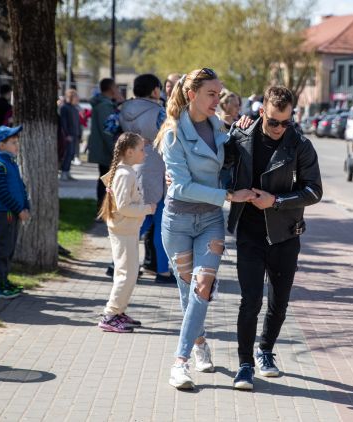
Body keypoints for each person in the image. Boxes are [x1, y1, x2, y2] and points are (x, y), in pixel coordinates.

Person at [154, 68, 255, 390]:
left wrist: (240, 133)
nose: (219, 100)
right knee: (188, 293)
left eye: (219, 93)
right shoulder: (172, 133)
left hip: (211, 220)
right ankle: (200, 345)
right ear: (192, 94)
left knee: (202, 288)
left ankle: (178, 363)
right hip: (178, 222)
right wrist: (228, 196)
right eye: (212, 94)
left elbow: (230, 161)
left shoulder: (218, 127)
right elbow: (180, 187)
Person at [226, 86, 323, 390]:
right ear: (261, 112)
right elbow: (219, 167)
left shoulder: (300, 145)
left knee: (279, 302)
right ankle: (244, 365)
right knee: (250, 300)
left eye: (286, 122)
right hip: (249, 232)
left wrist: (277, 201)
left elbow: (314, 191)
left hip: (285, 234)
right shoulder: (240, 136)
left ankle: (265, 350)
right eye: (273, 122)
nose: (280, 128)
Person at [97, 133, 156, 332]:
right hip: (123, 231)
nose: (145, 154)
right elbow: (123, 207)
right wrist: (148, 208)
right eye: (141, 149)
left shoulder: (126, 171)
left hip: (127, 230)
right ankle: (110, 314)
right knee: (126, 274)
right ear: (129, 152)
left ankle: (119, 311)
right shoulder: (125, 174)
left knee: (129, 273)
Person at [119, 74, 174, 283]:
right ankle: (162, 270)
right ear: (154, 90)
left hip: (132, 163)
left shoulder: (123, 109)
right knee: (157, 220)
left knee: (141, 219)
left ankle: (117, 263)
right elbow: (170, 138)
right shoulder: (159, 112)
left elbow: (110, 130)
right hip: (155, 165)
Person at [0, 125, 29, 299]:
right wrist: (18, 208)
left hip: (15, 213)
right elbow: (2, 193)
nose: (16, 145)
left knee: (10, 249)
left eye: (16, 142)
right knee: (3, 249)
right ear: (1, 145)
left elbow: (20, 187)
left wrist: (26, 205)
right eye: (13, 142)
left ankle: (5, 280)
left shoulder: (11, 163)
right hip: (5, 214)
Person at [88, 78, 122, 213]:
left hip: (104, 149)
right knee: (106, 181)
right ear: (111, 88)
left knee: (106, 179)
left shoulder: (106, 103)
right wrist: (115, 150)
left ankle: (104, 209)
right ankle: (102, 210)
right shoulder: (104, 106)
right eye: (116, 87)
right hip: (106, 150)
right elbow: (108, 130)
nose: (118, 90)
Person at [59, 89, 82, 181]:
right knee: (68, 154)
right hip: (69, 136)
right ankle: (64, 173)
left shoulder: (74, 108)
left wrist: (79, 134)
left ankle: (67, 172)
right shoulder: (65, 108)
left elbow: (78, 123)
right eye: (76, 96)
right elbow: (63, 123)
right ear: (71, 97)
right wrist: (67, 134)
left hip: (75, 135)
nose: (77, 98)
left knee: (72, 154)